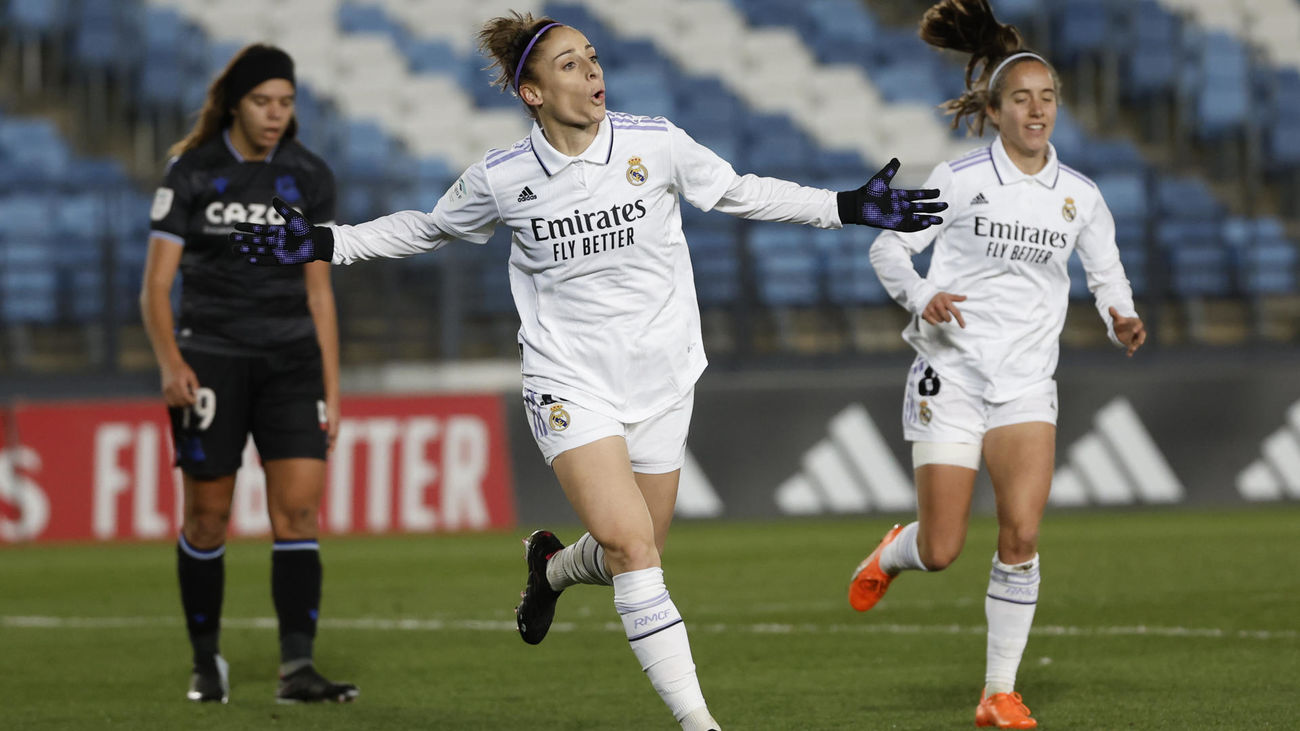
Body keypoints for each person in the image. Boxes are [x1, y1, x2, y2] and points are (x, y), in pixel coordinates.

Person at [229, 12, 945, 729]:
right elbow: (426, 226)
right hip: (568, 381)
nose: (592, 72)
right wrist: (326, 240)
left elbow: (739, 191)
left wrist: (846, 207)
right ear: (531, 92)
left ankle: (551, 570)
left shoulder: (654, 143)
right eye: (569, 64)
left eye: (592, 57)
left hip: (664, 376)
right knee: (635, 549)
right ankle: (703, 724)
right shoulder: (504, 177)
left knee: (635, 549)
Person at [846, 1, 1147, 728]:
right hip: (950, 373)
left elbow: (1105, 270)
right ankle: (898, 549)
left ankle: (997, 692)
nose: (1037, 110)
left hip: (1023, 384)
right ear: (995, 107)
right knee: (944, 547)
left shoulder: (1079, 195)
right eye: (1022, 98)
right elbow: (886, 245)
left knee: (1021, 533)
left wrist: (1120, 313)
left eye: (1047, 98)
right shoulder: (958, 178)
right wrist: (922, 296)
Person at [140, 43, 358, 705]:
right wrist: (172, 362)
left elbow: (320, 292)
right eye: (263, 101)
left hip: (292, 362)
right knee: (207, 519)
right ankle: (206, 663)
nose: (275, 113)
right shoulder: (193, 171)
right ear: (235, 102)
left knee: (297, 511)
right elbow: (155, 287)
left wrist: (333, 388)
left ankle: (297, 670)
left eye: (285, 102)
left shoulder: (308, 176)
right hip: (211, 359)